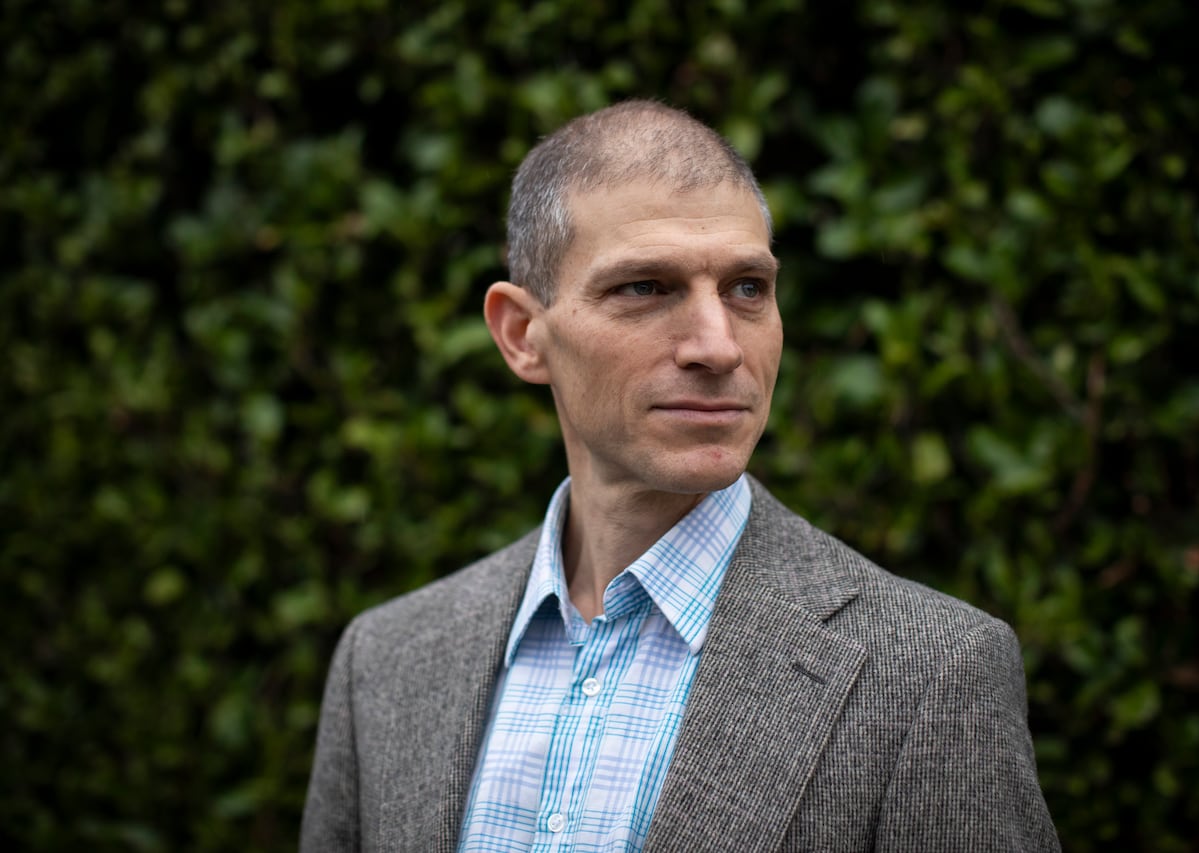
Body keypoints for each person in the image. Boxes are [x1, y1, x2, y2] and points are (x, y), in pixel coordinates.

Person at [301, 100, 1060, 852]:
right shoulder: (387, 660)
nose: (718, 346)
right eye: (646, 288)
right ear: (523, 334)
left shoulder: (930, 672)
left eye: (747, 288)